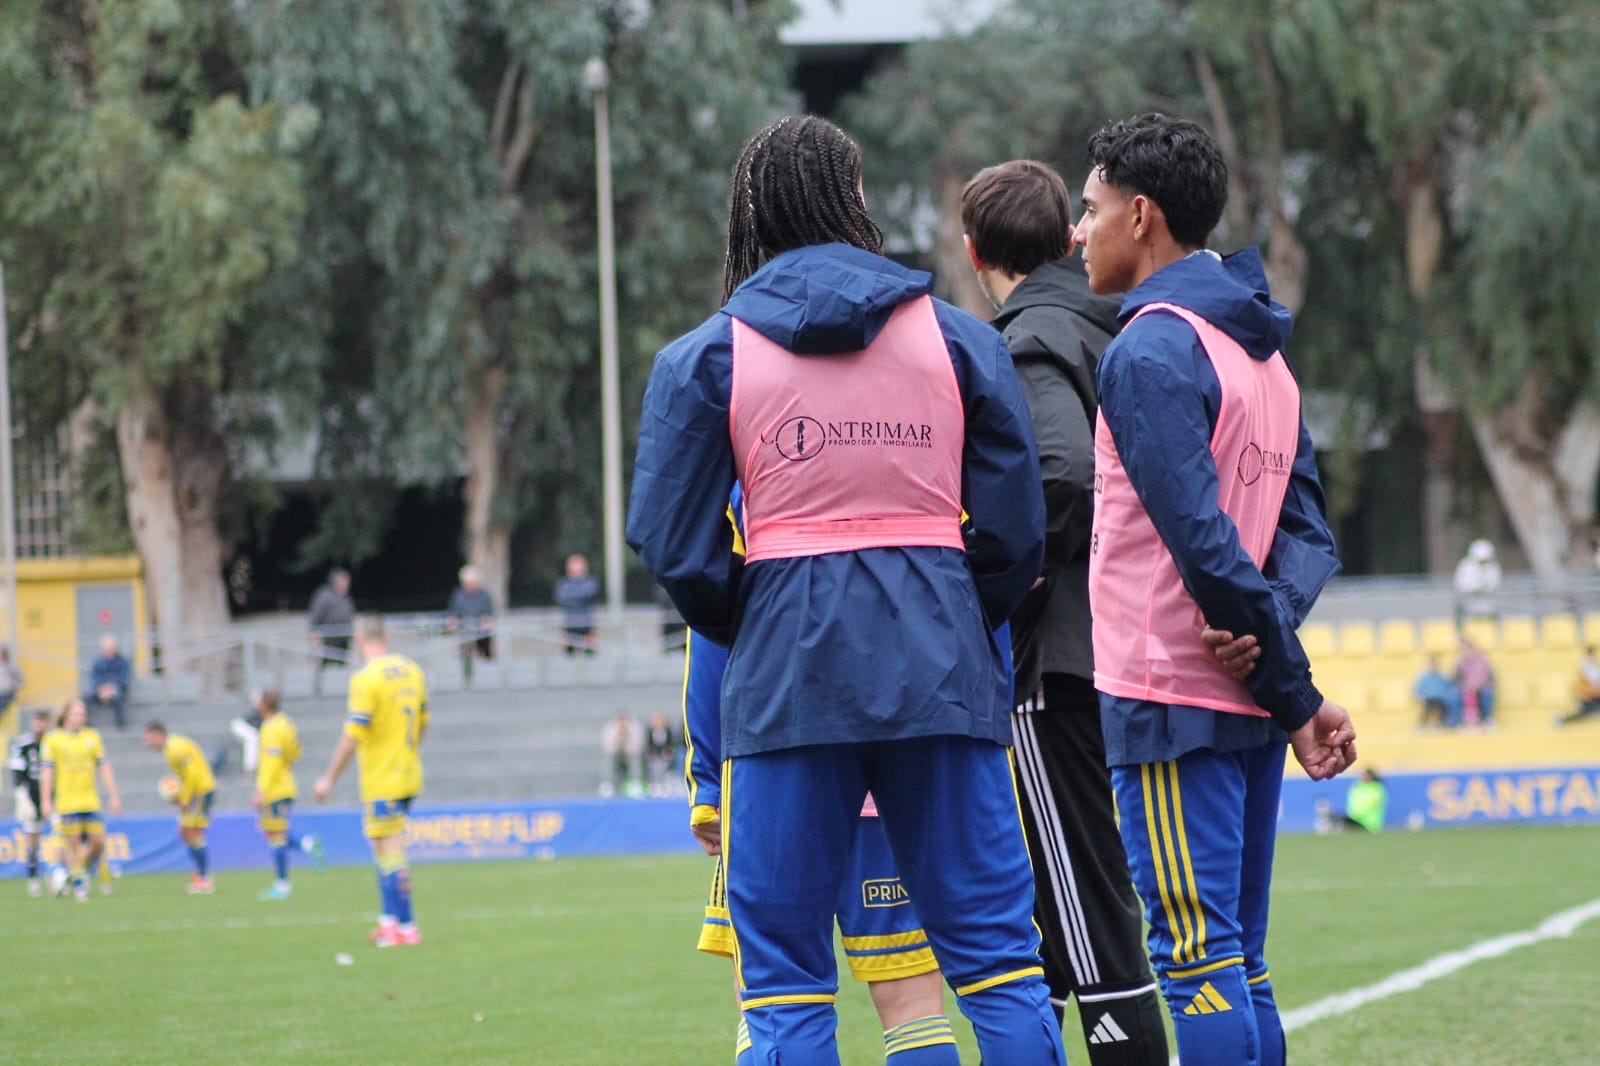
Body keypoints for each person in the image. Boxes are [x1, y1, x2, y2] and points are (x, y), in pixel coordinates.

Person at [628, 114, 1064, 1064]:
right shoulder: (963, 342)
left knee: (785, 981)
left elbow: (670, 542)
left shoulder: (704, 358)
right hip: (942, 675)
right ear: (855, 201)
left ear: (750, 214)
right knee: (1000, 963)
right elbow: (1017, 533)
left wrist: (757, 616)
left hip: (785, 685)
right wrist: (949, 611)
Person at [1073, 112, 1356, 1066]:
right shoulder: (1262, 353)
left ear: (1140, 215)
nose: (1079, 230)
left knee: (1195, 960)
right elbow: (1306, 536)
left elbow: (1200, 540)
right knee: (1240, 961)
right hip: (1242, 694)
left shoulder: (1149, 350)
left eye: (1091, 208)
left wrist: (1288, 683)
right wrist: (1276, 662)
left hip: (1167, 693)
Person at [961, 158, 1168, 1064]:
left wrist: (1012, 581)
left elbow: (1064, 472)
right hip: (1122, 638)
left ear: (975, 253)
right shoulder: (1105, 319)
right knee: (1057, 905)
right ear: (1064, 236)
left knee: (1087, 910)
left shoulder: (1029, 338)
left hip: (1056, 657)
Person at [687, 628, 960, 1065]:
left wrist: (707, 784)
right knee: (914, 1006)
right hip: (889, 782)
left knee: (774, 997)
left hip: (775, 775)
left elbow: (707, 632)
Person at [314, 614, 428, 947]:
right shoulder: (412, 670)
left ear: (359, 639)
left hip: (382, 779)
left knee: (392, 851)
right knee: (381, 847)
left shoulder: (366, 679)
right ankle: (389, 921)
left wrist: (329, 777)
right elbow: (424, 720)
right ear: (385, 636)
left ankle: (407, 927)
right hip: (408, 773)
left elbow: (353, 734)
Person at [40, 698, 122, 901]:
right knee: (73, 845)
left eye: (83, 714)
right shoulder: (53, 739)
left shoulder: (92, 736)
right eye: (77, 714)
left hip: (90, 801)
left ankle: (76, 873)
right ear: (66, 715)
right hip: (67, 802)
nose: (81, 717)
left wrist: (113, 795)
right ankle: (79, 886)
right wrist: (46, 800)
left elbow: (103, 766)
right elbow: (47, 771)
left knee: (98, 843)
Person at [252, 689, 324, 900]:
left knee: (276, 836)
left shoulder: (271, 727)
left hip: (274, 789)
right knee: (275, 833)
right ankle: (307, 844)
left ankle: (282, 884)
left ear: (263, 705)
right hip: (286, 785)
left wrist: (261, 790)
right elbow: (295, 752)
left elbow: (272, 761)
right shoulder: (286, 723)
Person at [143, 720, 219, 894]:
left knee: (190, 832)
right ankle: (201, 874)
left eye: (149, 739)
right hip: (196, 791)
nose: (147, 743)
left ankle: (204, 877)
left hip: (200, 791)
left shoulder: (175, 749)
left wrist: (185, 798)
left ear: (158, 734)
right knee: (188, 833)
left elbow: (192, 775)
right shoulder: (171, 748)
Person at [8, 709, 51, 896]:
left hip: (53, 795)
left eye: (44, 721)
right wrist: (21, 795)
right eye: (38, 721)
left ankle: (60, 875)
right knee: (33, 839)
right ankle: (33, 878)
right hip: (32, 796)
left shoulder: (53, 742)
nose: (40, 725)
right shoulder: (22, 744)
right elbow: (17, 772)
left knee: (61, 836)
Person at [445, 565, 495, 687]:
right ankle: (468, 679)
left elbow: (487, 613)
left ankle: (488, 678)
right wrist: (453, 623)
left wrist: (485, 622)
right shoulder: (458, 595)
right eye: (467, 583)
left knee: (486, 652)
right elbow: (454, 613)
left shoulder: (484, 595)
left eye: (472, 582)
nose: (470, 585)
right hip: (465, 631)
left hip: (482, 633)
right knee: (466, 653)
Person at [308, 568, 354, 694]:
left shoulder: (346, 597)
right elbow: (315, 616)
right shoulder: (324, 596)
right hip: (327, 638)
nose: (347, 584)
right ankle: (317, 690)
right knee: (322, 665)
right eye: (344, 581)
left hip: (343, 638)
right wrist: (314, 632)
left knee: (342, 665)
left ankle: (342, 690)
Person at [555, 553, 599, 656]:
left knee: (591, 654)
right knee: (567, 654)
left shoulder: (591, 582)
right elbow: (561, 597)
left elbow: (589, 593)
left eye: (578, 564)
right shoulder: (563, 583)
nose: (576, 568)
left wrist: (572, 597)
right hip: (569, 624)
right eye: (573, 565)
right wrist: (579, 597)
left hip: (587, 624)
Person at [84, 633, 131, 730]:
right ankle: (86, 722)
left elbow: (124, 678)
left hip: (116, 689)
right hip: (101, 691)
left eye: (111, 648)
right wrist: (101, 689)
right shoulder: (97, 662)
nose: (109, 651)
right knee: (86, 696)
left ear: (115, 648)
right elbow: (94, 678)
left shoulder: (123, 662)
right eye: (106, 649)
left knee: (118, 697)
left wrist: (112, 687)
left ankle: (120, 723)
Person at [1454, 539, 1501, 625]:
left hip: (1488, 606)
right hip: (1469, 607)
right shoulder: (1466, 567)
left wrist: (1485, 587)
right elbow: (1462, 584)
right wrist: (1476, 587)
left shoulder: (1492, 567)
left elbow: (1495, 583)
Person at [597, 713, 644, 798]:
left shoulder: (634, 727)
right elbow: (607, 745)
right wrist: (618, 742)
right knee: (608, 760)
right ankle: (607, 784)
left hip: (630, 752)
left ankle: (635, 783)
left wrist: (626, 746)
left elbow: (638, 744)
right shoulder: (609, 728)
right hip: (614, 753)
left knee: (635, 759)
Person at [1454, 637, 1496, 728]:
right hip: (1466, 689)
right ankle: (1460, 721)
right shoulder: (1460, 662)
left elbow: (1485, 676)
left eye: (1465, 649)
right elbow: (1456, 678)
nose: (1464, 651)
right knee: (1455, 695)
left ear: (1472, 648)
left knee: (1487, 693)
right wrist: (1465, 687)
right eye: (1461, 649)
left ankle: (1487, 719)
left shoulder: (1482, 660)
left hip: (1481, 687)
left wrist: (1475, 686)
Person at [1413, 653, 1463, 729]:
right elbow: (1418, 688)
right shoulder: (1423, 676)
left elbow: (1448, 685)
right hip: (1428, 698)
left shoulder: (1441, 675)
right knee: (1427, 707)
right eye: (1431, 664)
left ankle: (1440, 722)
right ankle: (1421, 723)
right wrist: (1419, 696)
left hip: (1440, 698)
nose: (1433, 666)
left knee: (1442, 706)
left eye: (1434, 664)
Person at [1557, 646, 1600, 725]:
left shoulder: (1593, 665)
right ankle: (1562, 719)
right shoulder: (1585, 666)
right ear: (1590, 654)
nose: (1596, 656)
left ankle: (1563, 719)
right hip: (1589, 696)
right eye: (1594, 654)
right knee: (1584, 714)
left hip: (1594, 695)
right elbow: (1588, 683)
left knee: (1587, 713)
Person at [642, 711, 680, 796]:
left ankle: (665, 783)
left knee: (664, 763)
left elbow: (671, 744)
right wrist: (651, 752)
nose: (658, 722)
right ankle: (654, 784)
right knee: (654, 764)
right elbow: (648, 745)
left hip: (665, 754)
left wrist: (667, 751)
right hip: (654, 754)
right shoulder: (649, 732)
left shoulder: (668, 731)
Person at [1341, 769, 1388, 833]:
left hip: (1370, 823)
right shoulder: (1357, 787)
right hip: (1355, 820)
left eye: (1365, 775)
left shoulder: (1377, 788)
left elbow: (1369, 806)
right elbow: (1352, 803)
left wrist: (1356, 815)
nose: (1363, 777)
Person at [0, 644, 24, 717]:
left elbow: (19, 678)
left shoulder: (10, 665)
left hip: (7, 693)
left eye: (1, 652)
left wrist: (17, 688)